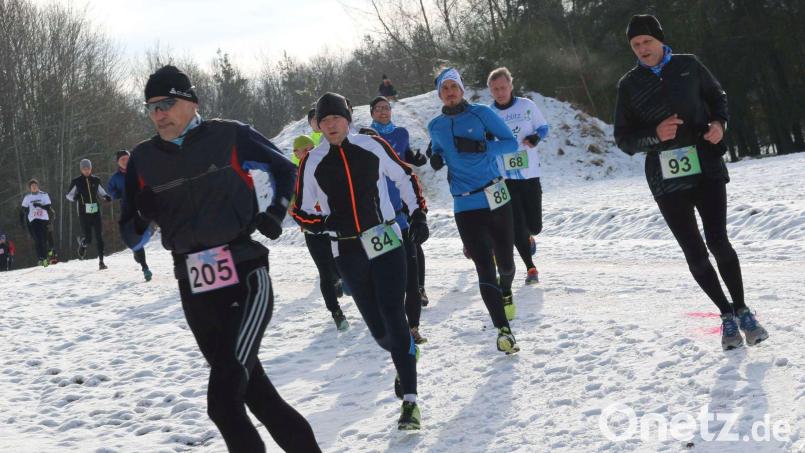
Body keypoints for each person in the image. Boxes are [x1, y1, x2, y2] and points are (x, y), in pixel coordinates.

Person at [119, 65, 321, 452]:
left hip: (245, 275)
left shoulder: (230, 135)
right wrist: (142, 216)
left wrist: (275, 212)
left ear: (191, 103)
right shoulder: (143, 159)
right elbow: (130, 235)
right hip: (194, 285)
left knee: (223, 403)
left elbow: (285, 170)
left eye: (166, 103)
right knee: (258, 397)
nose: (159, 113)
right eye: (151, 107)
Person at [614, 14, 768, 351]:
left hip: (705, 165)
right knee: (694, 251)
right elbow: (623, 139)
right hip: (666, 179)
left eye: (647, 42)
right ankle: (726, 314)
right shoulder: (629, 85)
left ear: (660, 40)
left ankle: (743, 310)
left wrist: (719, 124)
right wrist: (654, 135)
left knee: (718, 240)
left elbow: (718, 98)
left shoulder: (689, 65)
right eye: (636, 45)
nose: (642, 49)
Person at [291, 92, 428, 430]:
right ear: (318, 125)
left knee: (394, 314)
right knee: (380, 332)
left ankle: (410, 401)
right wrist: (324, 224)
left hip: (385, 239)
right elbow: (301, 211)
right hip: (347, 250)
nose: (331, 124)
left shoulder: (371, 145)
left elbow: (405, 176)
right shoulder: (312, 161)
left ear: (347, 120)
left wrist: (417, 214)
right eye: (324, 120)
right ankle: (404, 352)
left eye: (336, 118)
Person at [427, 67, 520, 354]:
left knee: (506, 265)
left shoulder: (482, 114)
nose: (450, 92)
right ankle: (503, 330)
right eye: (444, 89)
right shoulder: (435, 125)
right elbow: (437, 149)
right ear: (440, 94)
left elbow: (511, 143)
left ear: (462, 89)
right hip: (464, 204)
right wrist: (435, 158)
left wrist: (482, 147)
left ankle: (506, 289)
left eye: (454, 87)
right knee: (484, 268)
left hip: (495, 196)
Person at [369, 96, 429, 341]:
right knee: (388, 274)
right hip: (377, 213)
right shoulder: (365, 138)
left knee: (412, 261)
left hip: (402, 202)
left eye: (387, 108)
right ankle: (389, 320)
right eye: (379, 109)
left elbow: (404, 157)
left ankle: (413, 326)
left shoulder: (401, 133)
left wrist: (415, 158)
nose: (384, 112)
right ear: (372, 113)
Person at [487, 67, 550, 285]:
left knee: (534, 226)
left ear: (510, 86)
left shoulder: (526, 106)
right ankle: (531, 268)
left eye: (503, 87)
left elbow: (543, 128)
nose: (500, 92)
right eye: (495, 89)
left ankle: (529, 235)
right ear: (490, 90)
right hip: (504, 177)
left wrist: (535, 138)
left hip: (529, 173)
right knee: (516, 225)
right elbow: (485, 140)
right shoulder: (488, 114)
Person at [292, 134, 350, 331]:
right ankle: (336, 312)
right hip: (313, 231)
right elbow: (292, 203)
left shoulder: (324, 166)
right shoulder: (294, 174)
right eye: (303, 151)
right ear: (296, 153)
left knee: (340, 266)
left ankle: (339, 280)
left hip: (332, 226)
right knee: (325, 272)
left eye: (310, 149)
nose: (308, 153)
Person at [108, 149, 152, 281]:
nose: (125, 161)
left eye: (127, 158)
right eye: (122, 160)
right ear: (118, 163)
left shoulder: (138, 170)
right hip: (127, 211)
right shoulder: (115, 178)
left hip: (141, 206)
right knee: (135, 238)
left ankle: (141, 259)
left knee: (141, 233)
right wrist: (116, 194)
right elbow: (111, 190)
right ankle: (145, 267)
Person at [66, 158, 111, 270]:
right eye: (84, 169)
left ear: (91, 169)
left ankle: (101, 261)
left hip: (95, 211)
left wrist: (106, 196)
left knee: (99, 236)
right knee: (89, 238)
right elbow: (69, 195)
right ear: (81, 170)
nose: (86, 170)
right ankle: (83, 244)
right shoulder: (77, 181)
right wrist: (75, 197)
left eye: (88, 168)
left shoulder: (96, 180)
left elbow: (102, 192)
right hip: (83, 212)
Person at [19, 179, 52, 267]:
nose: (34, 187)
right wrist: (22, 223)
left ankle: (45, 257)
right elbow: (22, 211)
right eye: (32, 186)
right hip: (33, 221)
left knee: (43, 239)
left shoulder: (44, 195)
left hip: (44, 220)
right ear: (30, 188)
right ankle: (42, 258)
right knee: (37, 240)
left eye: (35, 186)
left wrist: (39, 205)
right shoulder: (27, 197)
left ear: (38, 186)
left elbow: (48, 207)